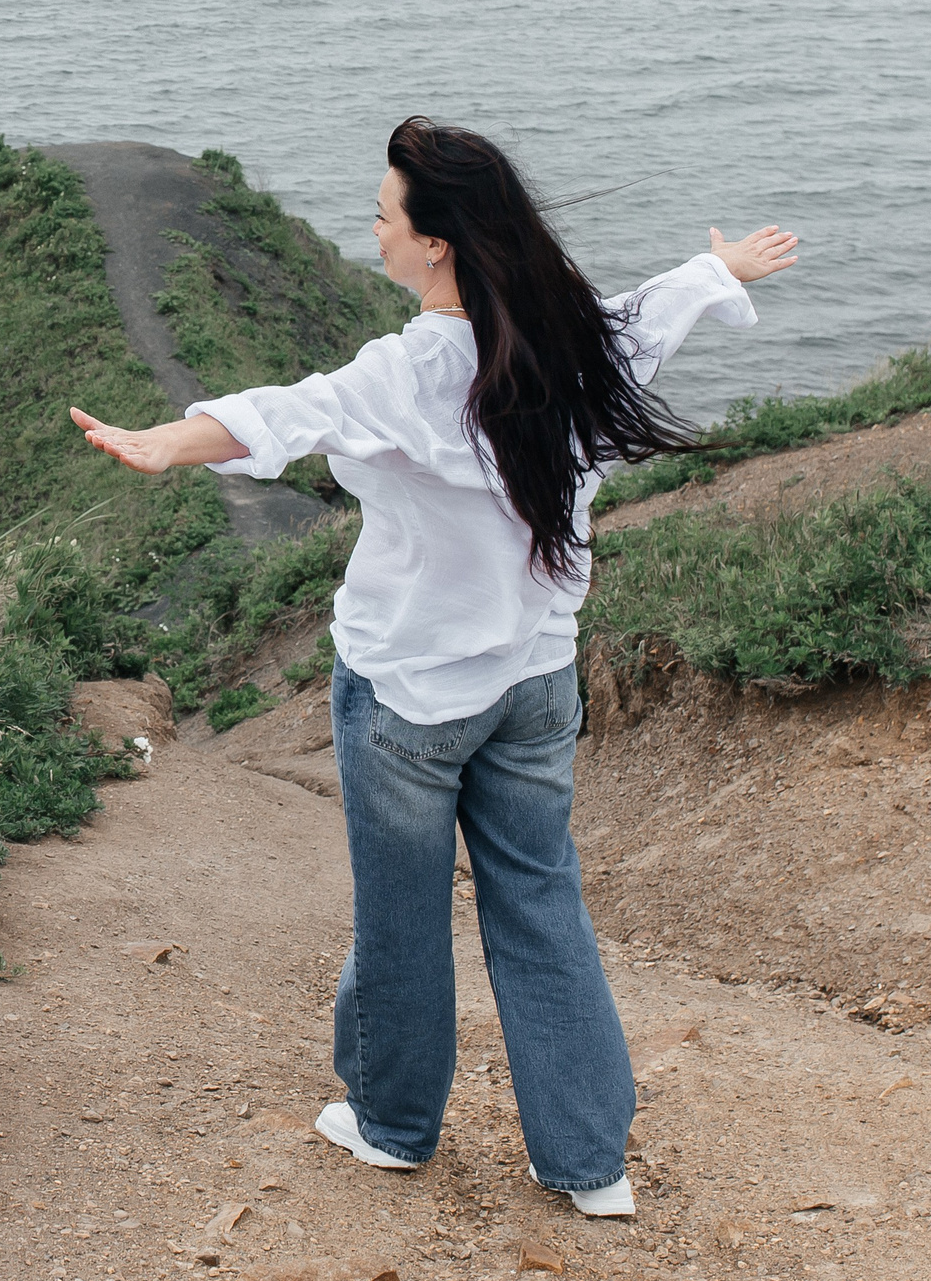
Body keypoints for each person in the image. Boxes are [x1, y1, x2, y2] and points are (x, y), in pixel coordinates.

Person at [69, 118, 796, 1217]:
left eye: (383, 216)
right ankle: (589, 1164)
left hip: (407, 693)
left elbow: (289, 414)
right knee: (539, 901)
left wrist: (165, 442)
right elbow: (649, 314)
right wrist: (718, 269)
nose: (372, 229)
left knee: (402, 917)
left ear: (437, 242)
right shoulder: (568, 340)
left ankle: (393, 1125)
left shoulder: (410, 370)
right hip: (536, 681)